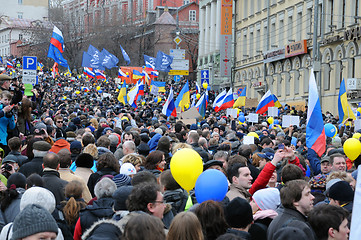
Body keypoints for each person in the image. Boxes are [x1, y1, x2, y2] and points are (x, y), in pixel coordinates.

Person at [0, 90, 15, 155]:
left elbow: (12, 126)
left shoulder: (10, 110)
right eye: (5, 99)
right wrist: (3, 111)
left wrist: (11, 116)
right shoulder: (2, 109)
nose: (7, 102)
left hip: (3, 138)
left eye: (9, 100)